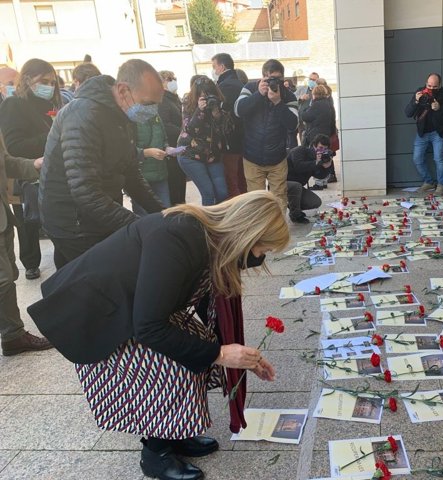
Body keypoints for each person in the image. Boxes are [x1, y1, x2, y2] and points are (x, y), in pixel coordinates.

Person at [28, 190, 288, 480]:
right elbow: (149, 327)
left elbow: (202, 300)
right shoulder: (179, 236)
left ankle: (173, 432)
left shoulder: (207, 236)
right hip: (96, 317)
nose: (260, 257)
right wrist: (221, 354)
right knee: (176, 364)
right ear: (246, 235)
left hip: (131, 309)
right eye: (263, 248)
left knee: (199, 346)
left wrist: (230, 350)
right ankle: (155, 455)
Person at [39, 59, 165, 269]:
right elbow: (84, 190)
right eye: (148, 104)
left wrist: (164, 215)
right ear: (123, 90)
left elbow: (132, 175)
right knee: (92, 288)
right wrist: (137, 225)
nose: (152, 111)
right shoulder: (84, 114)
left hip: (97, 214)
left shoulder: (123, 115)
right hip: (73, 223)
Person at [0, 58, 62, 280]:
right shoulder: (13, 104)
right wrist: (54, 134)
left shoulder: (52, 104)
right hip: (25, 177)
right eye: (44, 81)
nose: (49, 86)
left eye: (53, 82)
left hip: (52, 176)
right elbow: (15, 146)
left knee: (56, 225)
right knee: (27, 223)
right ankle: (31, 263)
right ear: (27, 79)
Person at [0, 133, 53, 356]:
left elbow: (6, 162)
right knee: (2, 280)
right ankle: (13, 335)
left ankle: (12, 334)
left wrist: (33, 164)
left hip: (2, 216)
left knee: (9, 274)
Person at [234, 59, 298, 213]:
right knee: (256, 200)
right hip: (252, 156)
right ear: (263, 77)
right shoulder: (250, 88)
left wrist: (278, 103)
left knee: (279, 198)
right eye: (271, 79)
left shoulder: (288, 96)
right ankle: (261, 232)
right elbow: (238, 111)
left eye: (278, 79)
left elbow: (293, 124)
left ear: (283, 79)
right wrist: (258, 94)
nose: (275, 83)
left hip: (277, 157)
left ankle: (278, 230)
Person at [177, 76, 229, 206]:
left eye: (210, 95)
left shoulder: (218, 104)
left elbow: (227, 130)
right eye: (204, 97)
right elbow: (190, 130)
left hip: (212, 154)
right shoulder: (188, 105)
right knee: (208, 194)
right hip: (190, 155)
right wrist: (199, 110)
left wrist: (218, 115)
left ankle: (220, 221)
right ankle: (208, 225)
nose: (208, 99)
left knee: (222, 193)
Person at [405, 73, 443, 195]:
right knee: (417, 158)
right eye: (429, 85)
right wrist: (416, 101)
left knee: (439, 159)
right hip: (422, 132)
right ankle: (428, 181)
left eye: (434, 87)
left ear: (440, 85)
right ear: (426, 83)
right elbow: (408, 113)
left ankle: (441, 185)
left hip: (438, 132)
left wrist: (438, 109)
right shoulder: (420, 92)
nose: (431, 89)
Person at [212, 53, 247, 198]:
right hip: (243, 139)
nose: (213, 70)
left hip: (229, 141)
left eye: (214, 66)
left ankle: (239, 213)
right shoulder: (239, 84)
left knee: (232, 181)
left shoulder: (224, 86)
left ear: (222, 66)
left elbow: (223, 114)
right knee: (242, 178)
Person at [287, 134, 332, 224]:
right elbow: (298, 167)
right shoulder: (300, 150)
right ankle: (295, 215)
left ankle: (293, 205)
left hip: (297, 188)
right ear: (314, 145)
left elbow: (320, 176)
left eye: (324, 149)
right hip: (282, 183)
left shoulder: (318, 159)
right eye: (320, 148)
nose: (322, 151)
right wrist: (315, 163)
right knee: (296, 186)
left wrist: (326, 167)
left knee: (315, 202)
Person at [158, 70, 187, 205]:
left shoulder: (175, 98)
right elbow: (165, 124)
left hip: (179, 145)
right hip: (171, 147)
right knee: (174, 184)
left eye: (174, 78)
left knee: (181, 181)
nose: (173, 81)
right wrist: (183, 132)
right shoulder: (162, 100)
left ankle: (181, 205)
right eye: (169, 79)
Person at [133, 114, 171, 213]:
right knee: (144, 216)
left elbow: (164, 138)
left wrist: (167, 148)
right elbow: (126, 150)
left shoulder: (156, 116)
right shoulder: (130, 118)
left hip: (160, 173)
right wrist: (147, 153)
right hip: (140, 177)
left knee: (166, 212)